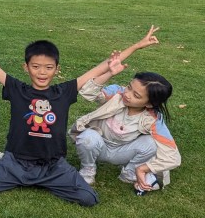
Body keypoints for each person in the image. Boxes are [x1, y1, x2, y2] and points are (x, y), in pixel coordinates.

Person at [0, 13, 131, 207]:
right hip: (17, 161)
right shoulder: (17, 90)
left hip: (52, 165)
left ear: (56, 69)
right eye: (36, 67)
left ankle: (42, 179)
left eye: (48, 67)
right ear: (26, 67)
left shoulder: (63, 92)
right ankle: (8, 165)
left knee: (88, 198)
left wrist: (136, 46)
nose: (42, 72)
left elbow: (100, 68)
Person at [68, 26, 178, 192]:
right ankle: (88, 170)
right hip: (99, 144)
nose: (128, 94)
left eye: (136, 95)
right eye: (129, 87)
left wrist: (144, 168)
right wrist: (109, 73)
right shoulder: (117, 93)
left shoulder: (153, 118)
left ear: (149, 104)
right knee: (88, 137)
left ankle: (130, 173)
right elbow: (87, 93)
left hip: (124, 151)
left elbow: (173, 156)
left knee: (151, 143)